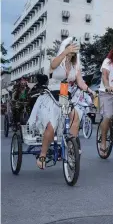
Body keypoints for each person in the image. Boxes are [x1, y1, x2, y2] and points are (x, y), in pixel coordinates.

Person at [27, 37, 96, 169]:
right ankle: (43, 154)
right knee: (51, 127)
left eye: (74, 48)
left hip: (65, 95)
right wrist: (65, 52)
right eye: (69, 47)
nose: (72, 50)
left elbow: (80, 82)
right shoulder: (57, 60)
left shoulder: (76, 66)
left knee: (75, 118)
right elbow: (52, 66)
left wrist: (90, 91)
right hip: (52, 95)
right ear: (64, 48)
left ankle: (71, 145)